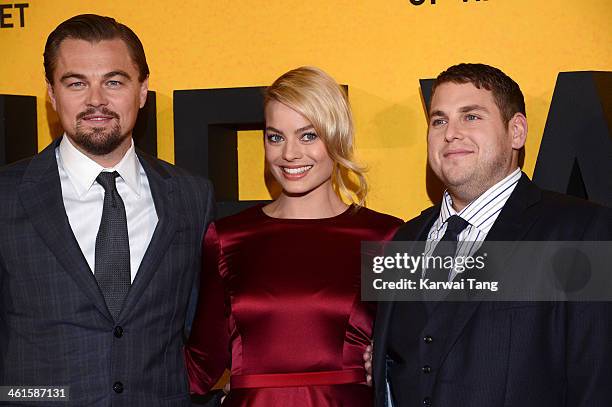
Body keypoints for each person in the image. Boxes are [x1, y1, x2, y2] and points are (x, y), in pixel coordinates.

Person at [0, 14, 214, 406]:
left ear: (142, 90)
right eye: (76, 82)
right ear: (51, 93)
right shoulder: (5, 196)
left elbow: (204, 328)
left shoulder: (190, 196)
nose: (96, 100)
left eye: (113, 82)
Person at [369, 63, 612, 406]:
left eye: (471, 117)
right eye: (439, 120)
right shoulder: (403, 240)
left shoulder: (583, 231)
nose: (450, 133)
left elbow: (598, 383)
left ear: (516, 132)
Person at [185, 66, 402, 406]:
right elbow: (200, 366)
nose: (289, 154)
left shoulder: (385, 236)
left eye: (308, 135)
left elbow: (432, 342)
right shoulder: (227, 238)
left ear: (337, 136)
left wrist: (393, 361)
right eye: (275, 137)